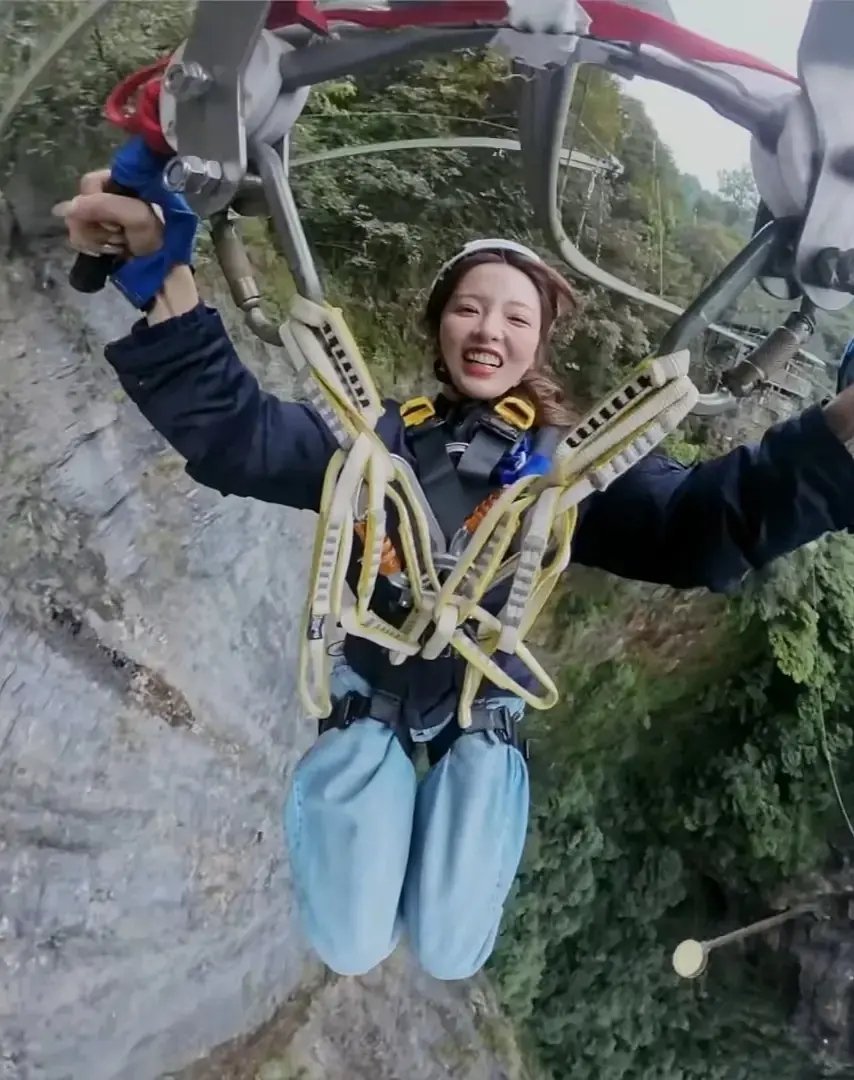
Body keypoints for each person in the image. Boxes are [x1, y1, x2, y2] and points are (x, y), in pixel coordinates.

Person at [57, 167, 854, 982]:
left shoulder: (568, 471)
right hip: (373, 692)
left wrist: (837, 436)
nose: (488, 331)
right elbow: (240, 436)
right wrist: (158, 270)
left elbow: (697, 525)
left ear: (540, 343)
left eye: (516, 317)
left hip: (482, 711)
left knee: (448, 949)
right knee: (349, 943)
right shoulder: (374, 444)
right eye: (469, 308)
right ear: (439, 325)